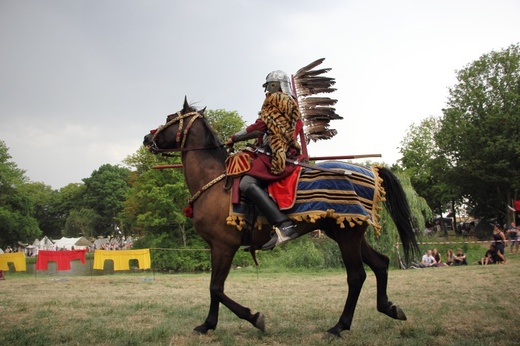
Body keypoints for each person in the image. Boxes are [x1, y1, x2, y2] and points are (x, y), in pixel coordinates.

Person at [226, 70, 304, 250]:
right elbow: (266, 130)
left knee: (246, 183)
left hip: (277, 155)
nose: (268, 90)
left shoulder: (278, 102)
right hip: (278, 152)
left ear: (276, 85)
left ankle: (285, 224)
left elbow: (260, 126)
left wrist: (234, 137)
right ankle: (256, 230)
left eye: (269, 85)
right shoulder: (290, 105)